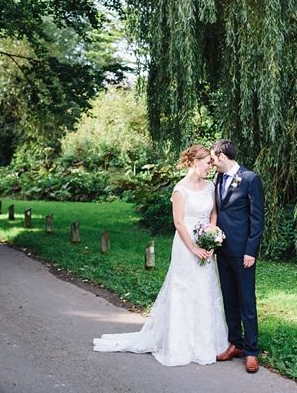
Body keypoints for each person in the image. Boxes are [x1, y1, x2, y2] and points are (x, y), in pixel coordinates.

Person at [93, 145, 229, 366]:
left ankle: (207, 342)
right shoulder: (180, 189)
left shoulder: (210, 187)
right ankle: (181, 344)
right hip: (186, 247)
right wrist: (194, 248)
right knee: (184, 290)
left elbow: (213, 214)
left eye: (212, 164)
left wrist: (212, 240)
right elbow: (179, 222)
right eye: (208, 163)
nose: (211, 167)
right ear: (195, 162)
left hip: (206, 246)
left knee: (206, 290)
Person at [209, 139, 264, 373]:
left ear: (222, 156)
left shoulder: (250, 179)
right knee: (229, 299)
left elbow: (257, 219)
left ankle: (251, 351)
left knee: (246, 302)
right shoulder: (218, 178)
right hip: (223, 251)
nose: (211, 162)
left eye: (212, 158)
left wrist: (251, 251)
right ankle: (236, 344)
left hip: (243, 253)